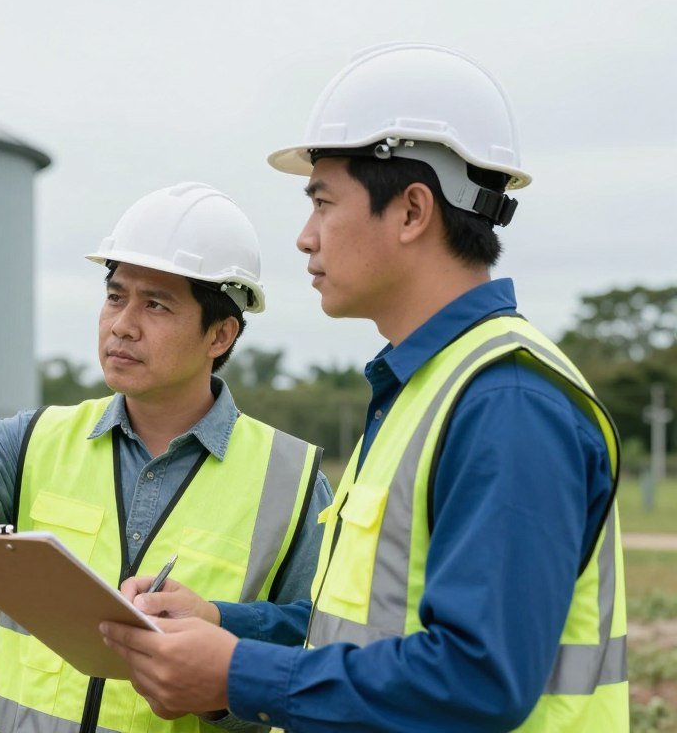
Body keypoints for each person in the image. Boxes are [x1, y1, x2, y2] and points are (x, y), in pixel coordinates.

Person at [102, 44, 628, 732]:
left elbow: (478, 677)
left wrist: (236, 673)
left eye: (323, 203)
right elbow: (366, 633)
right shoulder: (427, 388)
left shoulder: (507, 401)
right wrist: (223, 625)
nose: (303, 237)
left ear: (412, 212)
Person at [0, 182, 334, 733]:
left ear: (220, 333)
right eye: (116, 296)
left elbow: (324, 642)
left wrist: (220, 623)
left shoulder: (293, 480)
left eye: (155, 304)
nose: (122, 324)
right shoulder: (36, 438)